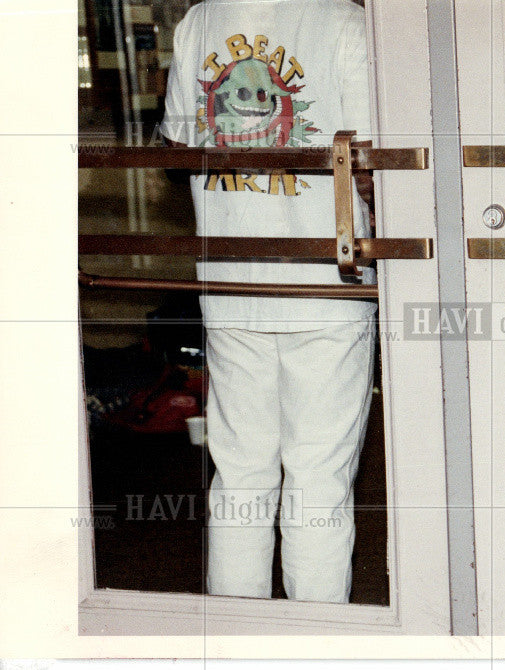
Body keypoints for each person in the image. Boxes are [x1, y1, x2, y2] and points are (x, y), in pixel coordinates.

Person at [161, 0, 376, 603]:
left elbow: (178, 149)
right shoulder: (345, 21)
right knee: (318, 484)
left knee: (239, 479)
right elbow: (372, 159)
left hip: (232, 288)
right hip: (326, 292)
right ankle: (312, 645)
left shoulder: (200, 21)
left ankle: (235, 642)